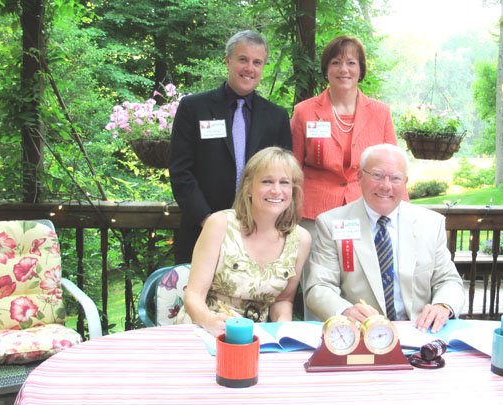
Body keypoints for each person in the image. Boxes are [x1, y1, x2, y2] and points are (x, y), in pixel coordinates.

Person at [290, 35, 397, 318]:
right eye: (336, 62)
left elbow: (393, 166)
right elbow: (292, 168)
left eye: (351, 62)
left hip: (364, 211)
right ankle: (317, 342)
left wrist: (402, 213)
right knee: (317, 283)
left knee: (359, 277)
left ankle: (368, 339)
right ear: (326, 68)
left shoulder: (381, 113)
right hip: (314, 212)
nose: (344, 69)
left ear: (361, 69)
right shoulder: (304, 112)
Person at [305, 144, 464, 333]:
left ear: (405, 182)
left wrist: (443, 306)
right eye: (377, 175)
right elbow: (319, 286)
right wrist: (344, 311)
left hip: (419, 331)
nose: (386, 186)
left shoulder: (430, 224)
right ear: (360, 177)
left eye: (395, 178)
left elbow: (448, 280)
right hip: (359, 333)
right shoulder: (332, 223)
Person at [169, 30, 292, 264]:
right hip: (201, 228)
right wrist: (208, 220)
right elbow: (180, 170)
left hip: (258, 233)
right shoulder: (194, 107)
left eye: (257, 62)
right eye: (243, 59)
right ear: (228, 61)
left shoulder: (276, 117)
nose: (250, 68)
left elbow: (284, 176)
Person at [175, 147, 311, 337]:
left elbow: (283, 300)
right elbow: (194, 296)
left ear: (293, 190)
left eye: (284, 182)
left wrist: (283, 327)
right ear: (248, 187)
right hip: (204, 331)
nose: (276, 190)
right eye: (267, 181)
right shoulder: (219, 224)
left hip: (255, 338)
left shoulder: (300, 239)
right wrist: (210, 322)